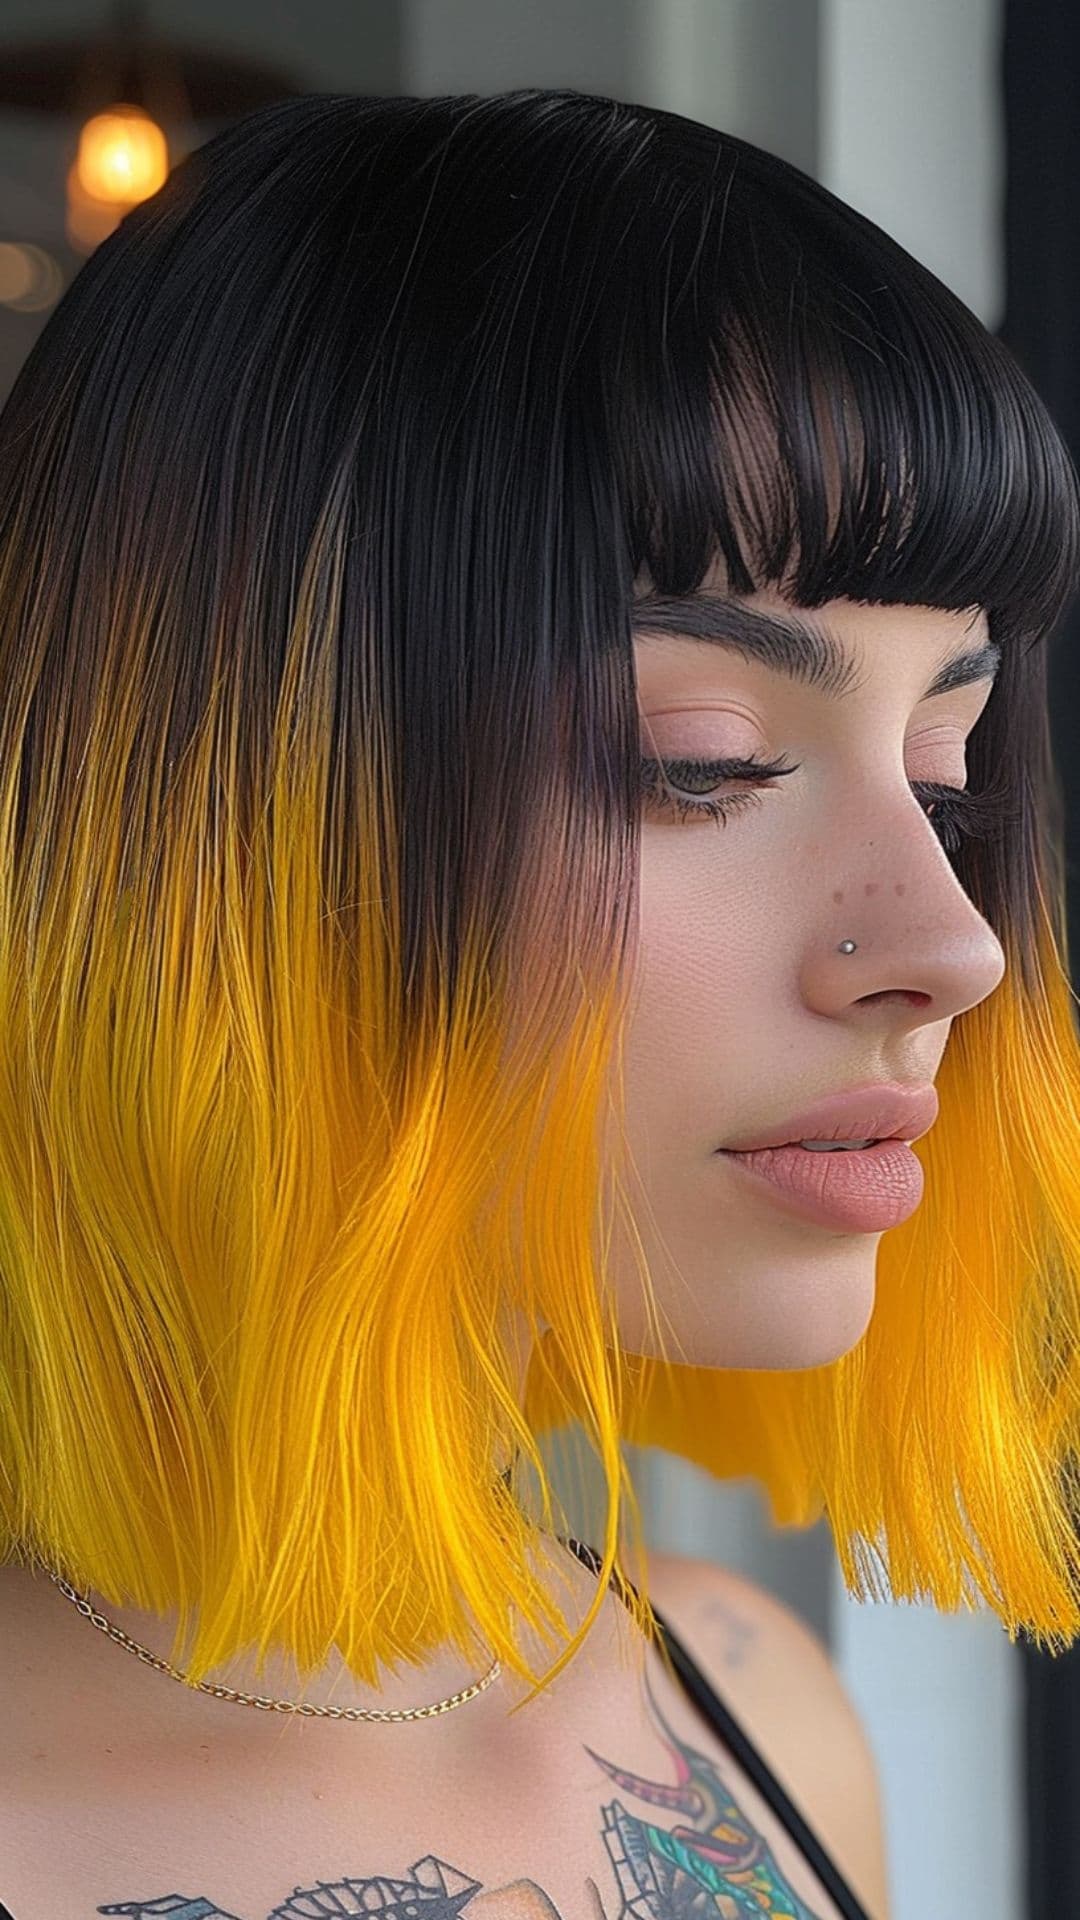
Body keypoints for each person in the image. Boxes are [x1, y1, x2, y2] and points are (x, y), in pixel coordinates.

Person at [0, 83, 1078, 1920]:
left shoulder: (752, 1710)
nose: (952, 942)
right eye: (704, 758)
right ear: (206, 827)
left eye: (950, 768)